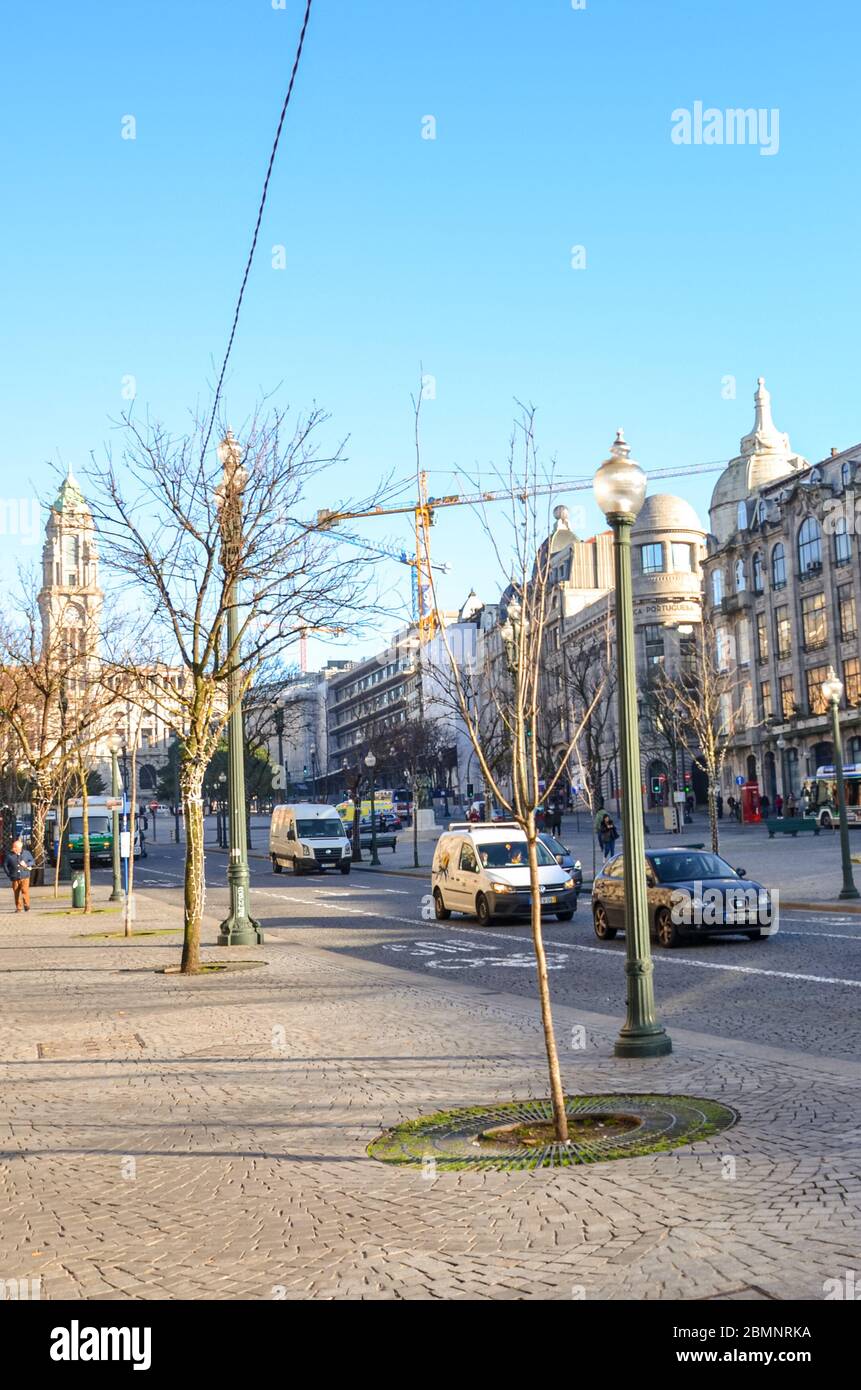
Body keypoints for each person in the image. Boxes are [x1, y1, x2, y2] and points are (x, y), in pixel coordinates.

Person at [4, 838, 34, 912]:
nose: (13, 848)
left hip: (25, 876)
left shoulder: (26, 853)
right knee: (16, 893)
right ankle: (18, 908)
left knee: (25, 891)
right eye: (13, 847)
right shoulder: (9, 855)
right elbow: (5, 865)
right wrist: (9, 874)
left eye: (15, 847)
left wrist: (27, 864)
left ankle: (27, 905)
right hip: (14, 877)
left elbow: (32, 861)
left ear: (19, 848)